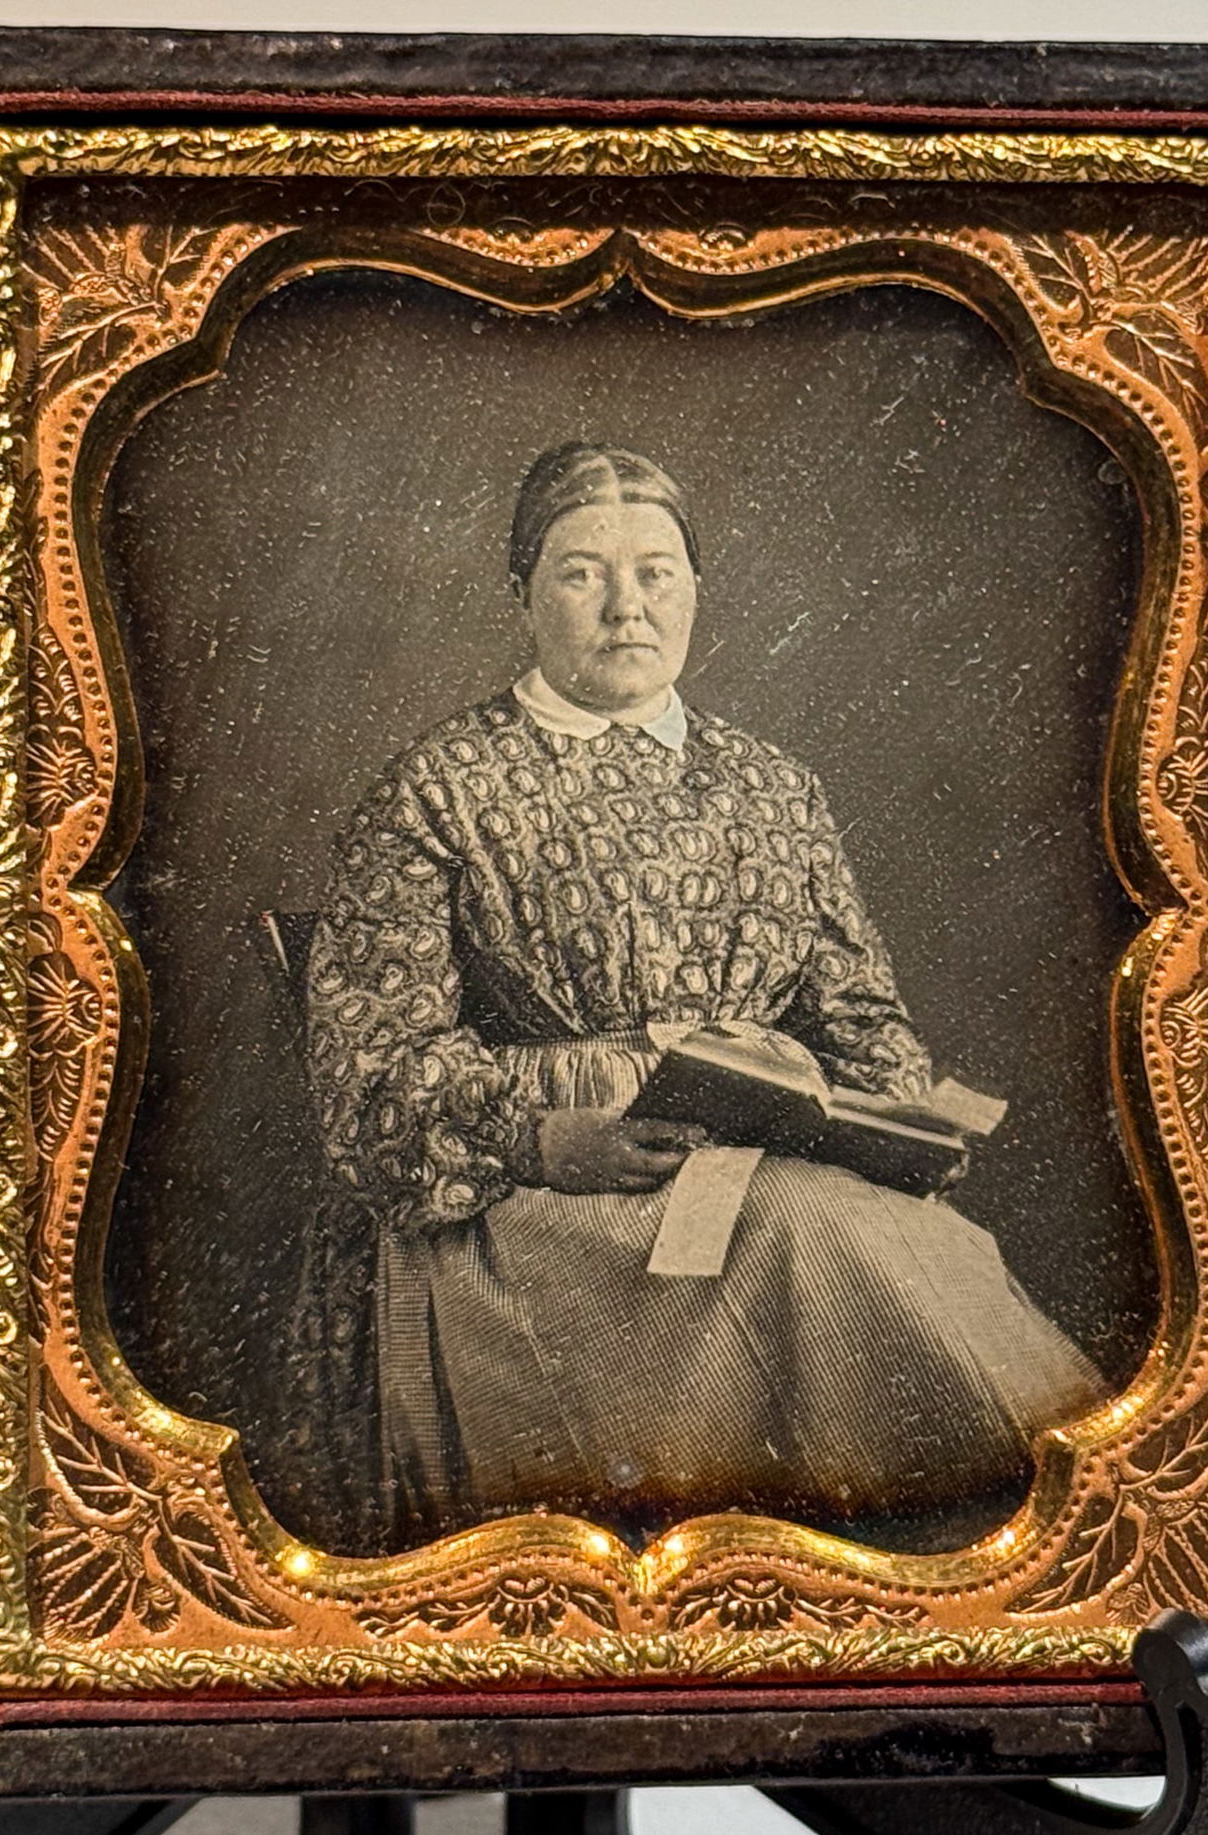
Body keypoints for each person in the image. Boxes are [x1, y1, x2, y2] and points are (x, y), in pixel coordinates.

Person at [303, 443, 1104, 1552]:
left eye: (656, 572)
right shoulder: (434, 789)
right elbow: (373, 1070)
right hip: (546, 1208)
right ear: (521, 593)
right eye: (582, 573)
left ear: (696, 589)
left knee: (923, 1243)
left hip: (763, 1164)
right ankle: (1040, 1522)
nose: (626, 607)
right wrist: (542, 1139)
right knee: (814, 1239)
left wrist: (896, 1123)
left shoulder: (773, 786)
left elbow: (860, 1017)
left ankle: (1045, 1535)